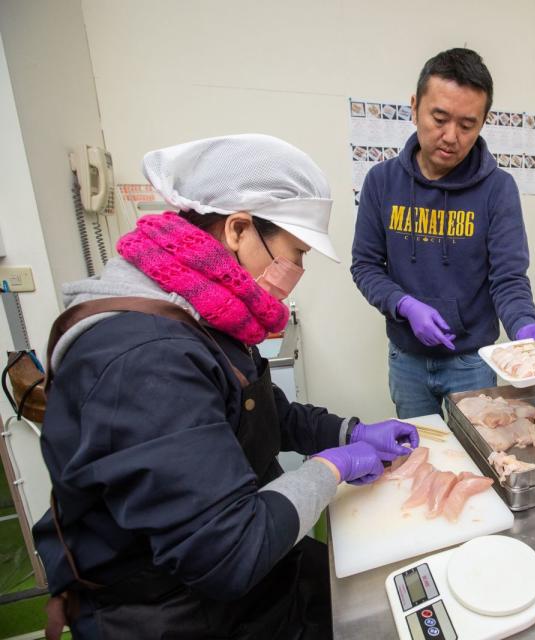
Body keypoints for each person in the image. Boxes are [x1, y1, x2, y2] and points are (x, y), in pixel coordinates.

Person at [32, 134, 419, 640]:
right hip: (179, 611)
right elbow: (229, 553)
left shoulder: (199, 309)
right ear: (239, 228)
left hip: (258, 575)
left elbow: (259, 411)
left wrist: (349, 431)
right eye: (294, 253)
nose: (296, 273)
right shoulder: (146, 356)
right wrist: (331, 469)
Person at [351, 48, 535, 419]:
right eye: (439, 118)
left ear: (483, 122)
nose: (451, 137)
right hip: (406, 359)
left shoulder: (498, 189)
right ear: (414, 106)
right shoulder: (382, 181)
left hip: (471, 362)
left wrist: (523, 324)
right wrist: (404, 305)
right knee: (423, 454)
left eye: (467, 125)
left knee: (477, 458)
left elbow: (507, 277)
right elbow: (365, 266)